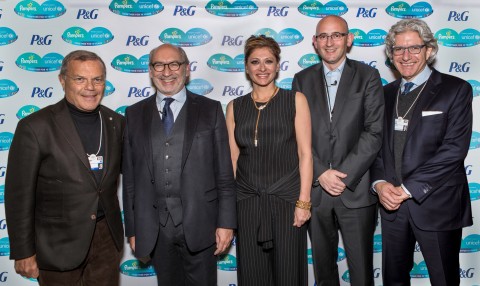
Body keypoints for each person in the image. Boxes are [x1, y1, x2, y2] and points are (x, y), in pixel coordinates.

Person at [5, 50, 124, 285]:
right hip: (56, 245)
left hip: (105, 240)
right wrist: (23, 251)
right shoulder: (35, 127)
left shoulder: (116, 123)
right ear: (62, 81)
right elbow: (18, 195)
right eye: (80, 79)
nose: (90, 87)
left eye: (97, 79)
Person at [122, 43, 236, 286]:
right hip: (155, 229)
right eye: (159, 65)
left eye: (174, 64)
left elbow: (224, 175)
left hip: (200, 225)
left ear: (186, 69)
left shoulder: (211, 110)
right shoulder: (133, 114)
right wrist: (133, 229)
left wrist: (226, 223)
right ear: (151, 71)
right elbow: (130, 180)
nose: (167, 72)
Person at [372, 18, 473, 286]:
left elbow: (453, 150)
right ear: (391, 54)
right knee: (393, 280)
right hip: (391, 206)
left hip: (437, 205)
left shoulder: (456, 89)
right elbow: (376, 146)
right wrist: (380, 184)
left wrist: (406, 190)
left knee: (443, 279)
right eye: (398, 49)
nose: (406, 56)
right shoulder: (384, 94)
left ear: (429, 50)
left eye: (414, 48)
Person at [292, 15, 384, 285]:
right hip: (317, 193)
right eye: (323, 36)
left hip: (355, 191)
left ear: (349, 39)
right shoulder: (301, 80)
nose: (329, 42)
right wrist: (321, 172)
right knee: (323, 272)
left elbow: (374, 131)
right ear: (314, 42)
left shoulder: (368, 76)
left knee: (362, 273)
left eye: (336, 35)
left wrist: (340, 174)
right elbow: (298, 136)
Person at [226, 35, 313, 286]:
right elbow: (232, 159)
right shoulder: (235, 107)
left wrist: (304, 203)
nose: (262, 68)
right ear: (246, 67)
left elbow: (305, 154)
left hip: (287, 202)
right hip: (247, 203)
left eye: (268, 61)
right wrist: (228, 209)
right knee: (252, 276)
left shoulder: (295, 100)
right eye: (255, 62)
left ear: (278, 65)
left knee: (288, 275)